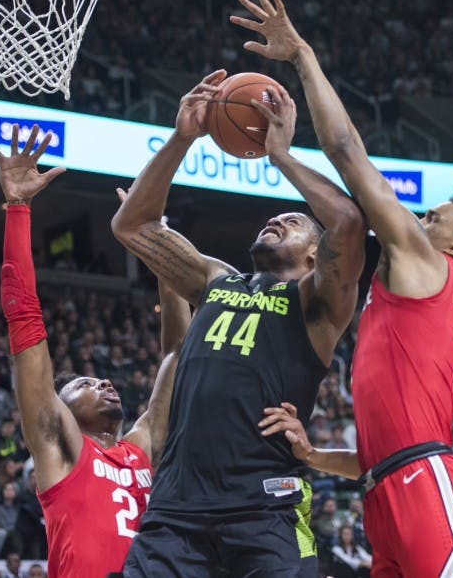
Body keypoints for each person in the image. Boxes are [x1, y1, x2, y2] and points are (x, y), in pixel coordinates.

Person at [232, 0, 453, 577]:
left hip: (428, 486)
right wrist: (313, 455)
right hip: (391, 486)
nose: (417, 219)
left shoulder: (427, 263)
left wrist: (301, 55)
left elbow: (345, 150)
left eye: (433, 218)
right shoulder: (443, 306)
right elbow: (391, 445)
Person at [113, 70, 365, 576]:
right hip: (176, 505)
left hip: (264, 504)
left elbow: (349, 222)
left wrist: (280, 156)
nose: (274, 220)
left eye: (292, 222)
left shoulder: (318, 302)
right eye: (274, 218)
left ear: (317, 255)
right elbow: (132, 225)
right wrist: (182, 138)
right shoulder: (216, 279)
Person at [0, 126, 192, 576]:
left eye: (99, 379)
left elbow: (180, 354)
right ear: (59, 408)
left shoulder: (139, 448)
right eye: (83, 383)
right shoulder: (59, 446)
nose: (103, 381)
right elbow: (23, 317)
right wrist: (18, 209)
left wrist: (162, 250)